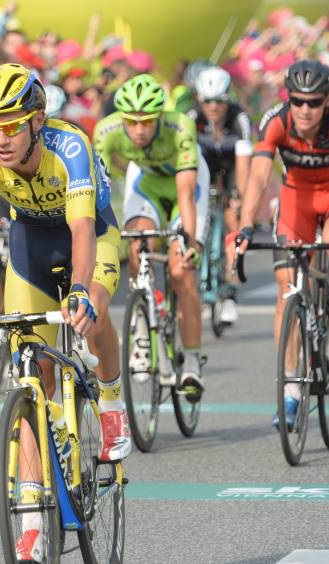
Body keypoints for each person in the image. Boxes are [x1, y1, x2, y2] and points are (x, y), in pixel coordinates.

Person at [0, 63, 129, 562]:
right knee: (30, 377)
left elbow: (81, 231)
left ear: (37, 119)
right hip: (30, 245)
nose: (0, 138)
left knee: (92, 312)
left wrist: (80, 290)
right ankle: (33, 516)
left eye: (11, 124)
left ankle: (113, 399)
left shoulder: (70, 146)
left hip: (89, 234)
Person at [229, 59, 329, 429]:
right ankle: (290, 391)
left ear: (327, 100)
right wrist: (244, 226)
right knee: (287, 291)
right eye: (298, 101)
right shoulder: (275, 120)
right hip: (296, 199)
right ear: (289, 99)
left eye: (314, 102)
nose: (305, 109)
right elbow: (257, 176)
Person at [94, 73, 210, 399]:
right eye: (132, 122)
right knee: (138, 244)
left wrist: (189, 240)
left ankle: (191, 359)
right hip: (146, 184)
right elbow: (96, 191)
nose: (140, 130)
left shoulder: (179, 128)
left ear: (159, 116)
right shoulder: (107, 131)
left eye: (147, 121)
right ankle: (144, 319)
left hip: (186, 185)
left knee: (179, 269)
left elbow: (186, 193)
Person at [187, 66, 253, 324]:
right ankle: (202, 284)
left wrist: (240, 197)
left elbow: (245, 162)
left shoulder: (239, 117)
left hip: (231, 166)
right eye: (207, 101)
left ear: (228, 99)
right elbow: (186, 161)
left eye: (218, 101)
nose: (213, 107)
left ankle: (229, 295)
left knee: (233, 223)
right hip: (203, 166)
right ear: (199, 100)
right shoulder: (192, 117)